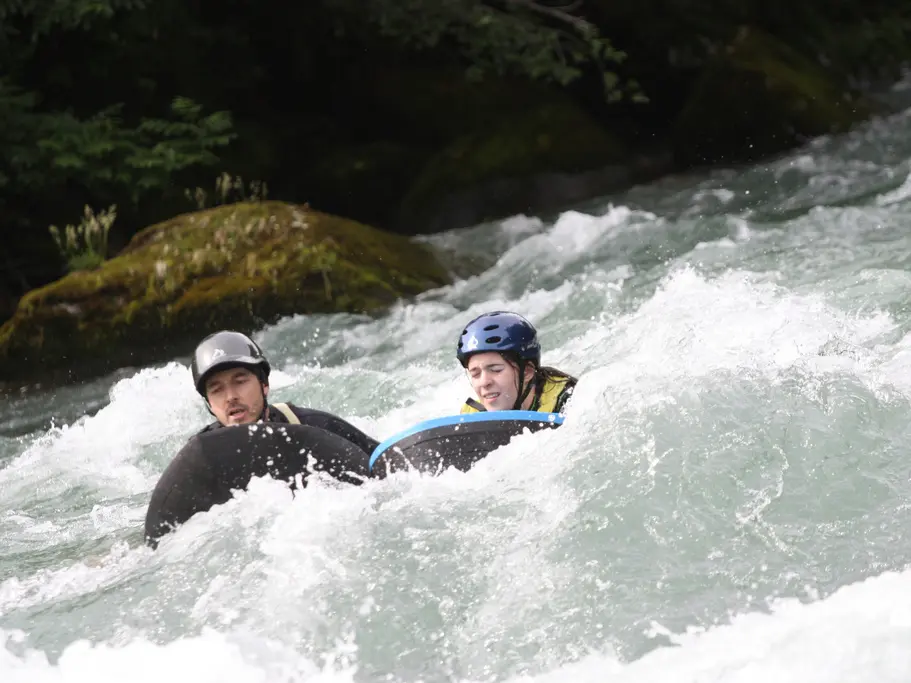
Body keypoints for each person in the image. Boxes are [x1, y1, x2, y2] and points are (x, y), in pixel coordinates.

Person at [191, 330, 379, 455]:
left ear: (264, 384)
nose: (230, 396)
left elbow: (383, 460)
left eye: (240, 382)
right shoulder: (200, 455)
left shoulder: (316, 426)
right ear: (209, 404)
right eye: (217, 390)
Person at [455, 311, 576, 414]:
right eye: (475, 374)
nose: (484, 382)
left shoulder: (569, 402)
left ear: (528, 372)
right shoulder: (470, 416)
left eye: (496, 370)